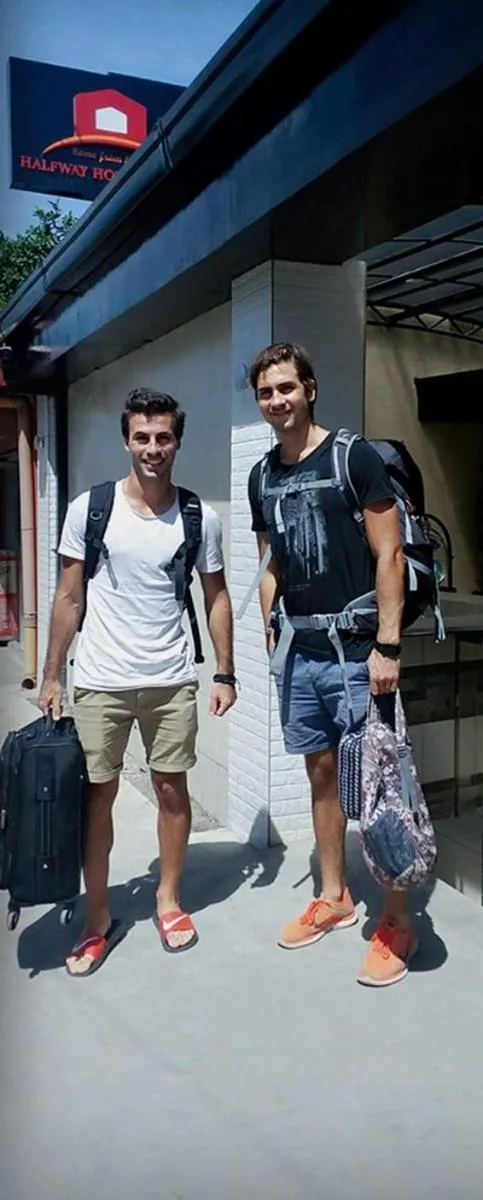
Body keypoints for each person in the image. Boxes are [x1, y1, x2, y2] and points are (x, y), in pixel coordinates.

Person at [38, 387, 237, 976]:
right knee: (98, 798)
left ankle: (168, 901)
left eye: (164, 437)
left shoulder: (200, 516)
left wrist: (224, 671)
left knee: (172, 790)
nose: (153, 448)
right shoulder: (90, 508)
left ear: (178, 441)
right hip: (100, 679)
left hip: (171, 678)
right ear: (127, 440)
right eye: (143, 437)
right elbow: (69, 597)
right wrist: (52, 674)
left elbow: (217, 596)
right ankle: (97, 917)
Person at [247, 342, 417, 988]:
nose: (276, 401)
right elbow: (270, 561)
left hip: (359, 654)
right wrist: (272, 629)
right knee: (322, 776)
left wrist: (389, 645)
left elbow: (389, 552)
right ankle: (337, 895)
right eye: (266, 392)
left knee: (379, 786)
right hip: (302, 655)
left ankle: (398, 919)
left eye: (286, 388)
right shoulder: (263, 475)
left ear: (310, 388)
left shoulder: (354, 458)